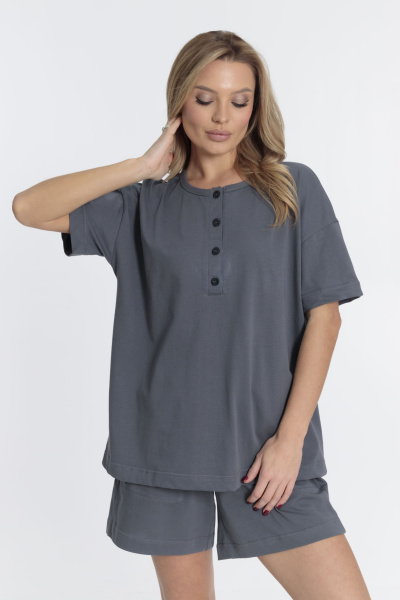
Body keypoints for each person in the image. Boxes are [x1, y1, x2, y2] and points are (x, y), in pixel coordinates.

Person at [12, 30, 371, 600]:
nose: (222, 117)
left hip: (268, 454)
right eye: (205, 99)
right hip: (166, 450)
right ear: (181, 101)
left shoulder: (294, 189)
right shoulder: (141, 206)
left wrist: (290, 442)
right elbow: (28, 208)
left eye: (239, 100)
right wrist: (141, 165)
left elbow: (325, 318)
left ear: (256, 108)